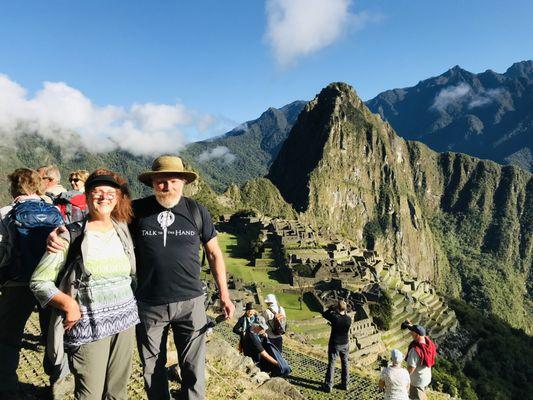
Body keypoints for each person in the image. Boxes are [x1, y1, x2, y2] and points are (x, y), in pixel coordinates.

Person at [46, 156, 235, 400]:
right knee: (152, 368)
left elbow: (214, 253)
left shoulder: (197, 211)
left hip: (191, 302)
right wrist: (61, 234)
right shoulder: (136, 211)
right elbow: (98, 220)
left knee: (193, 368)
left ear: (183, 182)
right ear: (152, 183)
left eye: (173, 181)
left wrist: (225, 295)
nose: (167, 186)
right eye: (161, 181)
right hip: (148, 304)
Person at [31, 169, 139, 400]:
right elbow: (39, 282)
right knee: (90, 394)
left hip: (126, 322)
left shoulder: (123, 229)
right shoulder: (70, 235)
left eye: (110, 193)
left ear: (119, 198)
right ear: (87, 196)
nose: (104, 197)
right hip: (90, 328)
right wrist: (68, 304)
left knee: (118, 392)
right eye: (97, 192)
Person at [0, 168, 68, 400]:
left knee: (8, 337)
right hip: (50, 282)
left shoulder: (6, 213)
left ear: (14, 187)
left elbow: (3, 251)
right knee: (52, 336)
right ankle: (57, 383)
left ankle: (7, 387)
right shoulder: (55, 211)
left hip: (17, 283)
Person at [321, 300, 352, 393]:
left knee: (332, 363)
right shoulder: (349, 319)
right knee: (345, 363)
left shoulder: (335, 318)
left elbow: (324, 314)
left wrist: (331, 308)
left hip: (335, 343)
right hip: (345, 343)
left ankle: (329, 385)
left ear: (337, 308)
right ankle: (345, 384)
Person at [403, 322, 437, 400]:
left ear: (417, 335)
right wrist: (410, 325)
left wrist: (403, 377)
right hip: (426, 378)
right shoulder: (429, 343)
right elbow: (419, 330)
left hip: (417, 381)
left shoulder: (415, 350)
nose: (411, 333)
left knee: (417, 397)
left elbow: (411, 367)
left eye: (412, 332)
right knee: (422, 394)